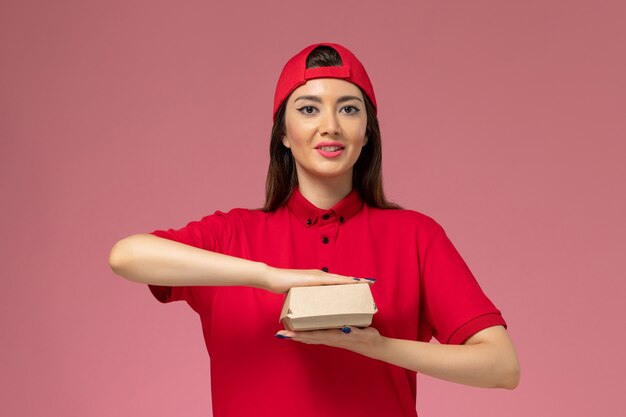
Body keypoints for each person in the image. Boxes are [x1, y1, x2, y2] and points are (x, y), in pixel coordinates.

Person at [109, 42, 520, 417]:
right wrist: (268, 276)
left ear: (367, 133)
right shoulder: (232, 235)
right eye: (308, 109)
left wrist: (376, 346)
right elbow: (126, 255)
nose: (331, 126)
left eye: (349, 108)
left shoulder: (415, 236)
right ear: (283, 135)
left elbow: (501, 366)